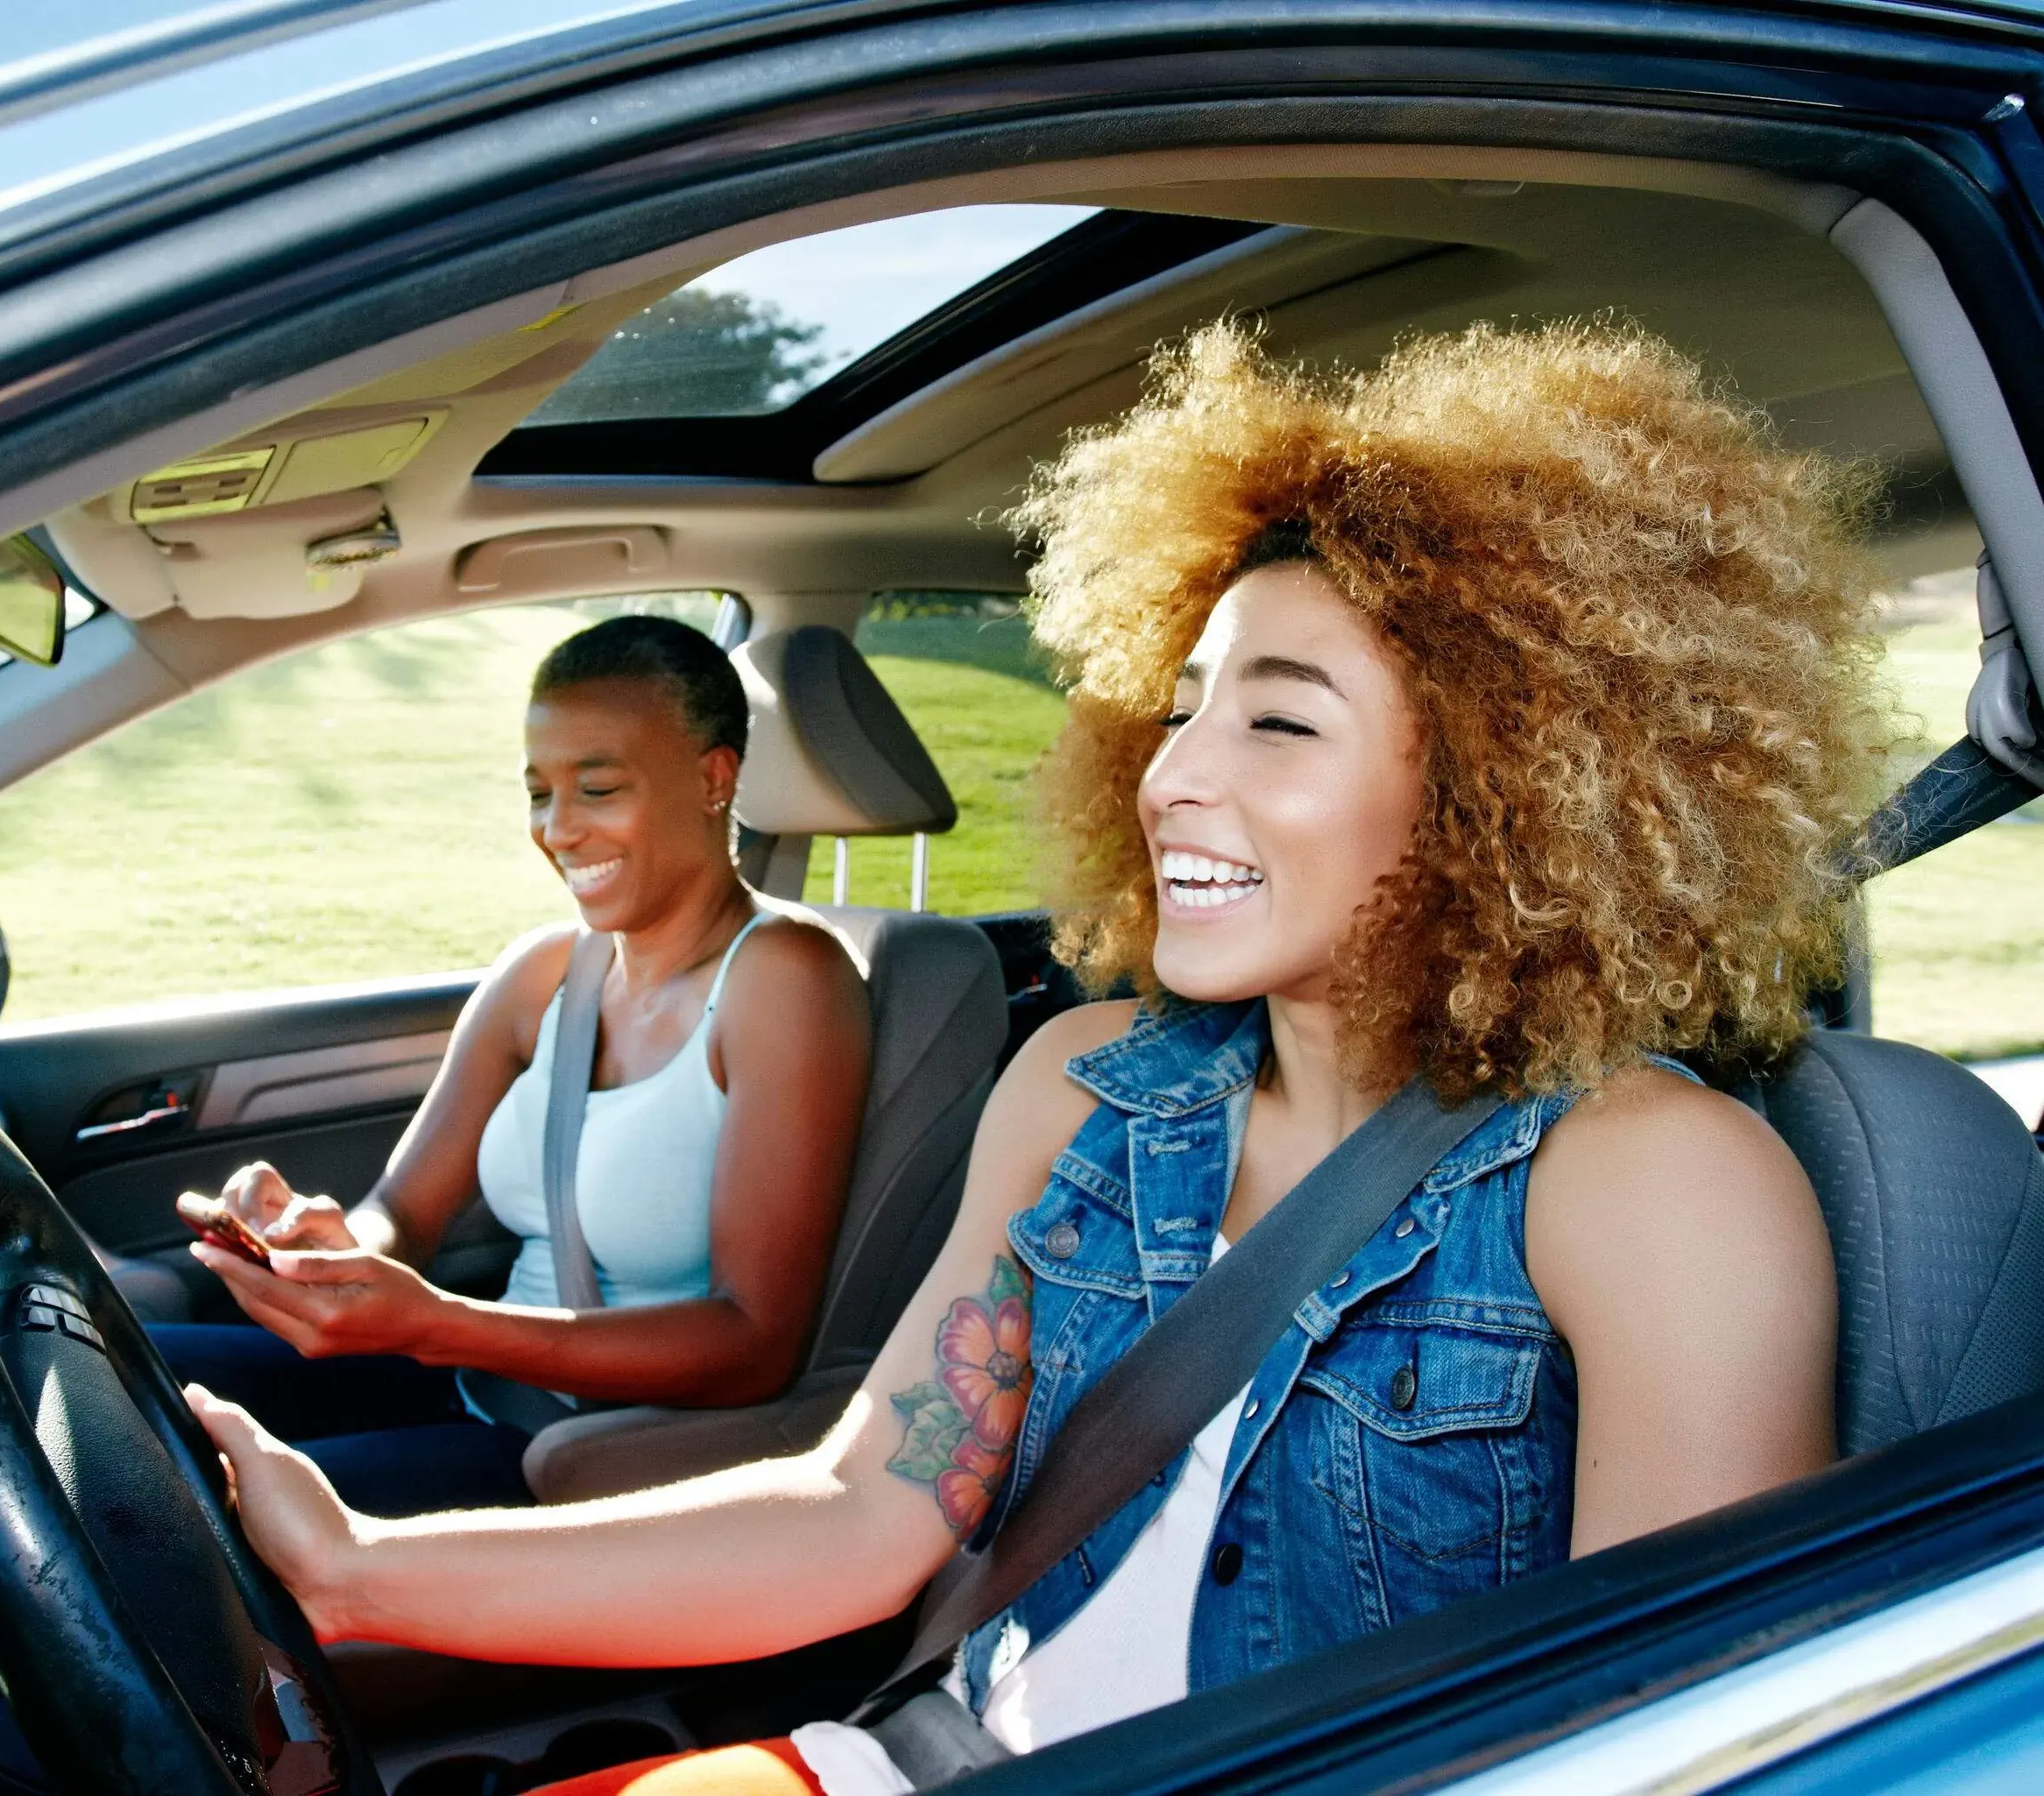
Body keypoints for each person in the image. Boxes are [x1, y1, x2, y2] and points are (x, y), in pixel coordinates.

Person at [187, 321, 1870, 1794]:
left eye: (1278, 719)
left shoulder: (1655, 1183)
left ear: (1517, 783)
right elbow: (865, 1515)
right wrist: (361, 1569)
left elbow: (1673, 1739)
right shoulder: (1084, 1084)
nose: (1174, 774)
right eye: (1185, 703)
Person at [157, 614, 873, 1518]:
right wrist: (328, 1243)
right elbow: (404, 1213)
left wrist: (437, 1324)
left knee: (189, 1511)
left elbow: (753, 1342)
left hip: (606, 1459)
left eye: (599, 788)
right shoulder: (541, 973)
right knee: (115, 1369)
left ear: (713, 776)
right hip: (473, 1387)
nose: (559, 830)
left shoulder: (786, 978)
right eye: (540, 793)